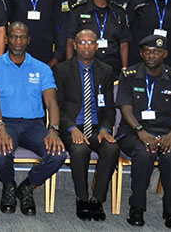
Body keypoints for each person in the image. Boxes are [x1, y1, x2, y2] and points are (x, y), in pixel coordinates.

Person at [0, 22, 66, 217]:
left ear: (28, 40)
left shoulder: (42, 68)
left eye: (22, 37)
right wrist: (0, 127)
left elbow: (52, 101)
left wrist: (53, 130)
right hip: (5, 123)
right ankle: (9, 186)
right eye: (13, 36)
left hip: (33, 125)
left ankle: (27, 187)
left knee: (58, 154)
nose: (17, 41)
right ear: (6, 39)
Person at [115, 35, 171, 229]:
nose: (151, 55)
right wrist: (140, 130)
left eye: (156, 52)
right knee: (145, 153)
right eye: (147, 51)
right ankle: (137, 207)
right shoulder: (128, 75)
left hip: (166, 132)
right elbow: (126, 110)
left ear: (165, 54)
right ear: (141, 53)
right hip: (133, 132)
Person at [52, 28, 119, 221]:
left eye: (91, 42)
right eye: (82, 42)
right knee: (80, 150)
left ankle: (97, 200)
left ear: (97, 46)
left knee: (112, 148)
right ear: (75, 45)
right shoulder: (62, 70)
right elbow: (57, 106)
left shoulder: (105, 70)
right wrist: (72, 128)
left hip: (97, 127)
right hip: (72, 126)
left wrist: (106, 129)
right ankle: (81, 198)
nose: (86, 46)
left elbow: (109, 107)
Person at [67, 0, 131, 78]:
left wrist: (124, 69)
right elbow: (70, 41)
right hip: (84, 68)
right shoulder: (78, 11)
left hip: (113, 69)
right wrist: (69, 68)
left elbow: (124, 43)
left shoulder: (119, 12)